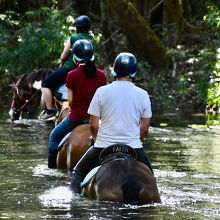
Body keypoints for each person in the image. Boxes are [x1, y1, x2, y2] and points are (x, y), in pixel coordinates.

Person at [71, 52, 153, 193]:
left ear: (114, 71)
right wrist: (132, 140)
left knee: (77, 173)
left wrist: (97, 140)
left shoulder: (101, 92)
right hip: (133, 147)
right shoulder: (143, 94)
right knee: (151, 178)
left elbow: (93, 125)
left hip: (103, 146)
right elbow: (144, 128)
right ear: (134, 73)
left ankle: (74, 206)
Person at [48, 39, 107, 168]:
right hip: (98, 119)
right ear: (92, 57)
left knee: (53, 137)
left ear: (75, 57)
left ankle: (51, 171)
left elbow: (71, 101)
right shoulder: (101, 75)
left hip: (77, 118)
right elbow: (105, 100)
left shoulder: (71, 75)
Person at [38, 15, 96, 121]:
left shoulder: (73, 38)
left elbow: (64, 55)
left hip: (70, 68)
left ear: (77, 27)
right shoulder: (92, 40)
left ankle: (50, 111)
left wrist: (61, 63)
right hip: (88, 70)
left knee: (45, 84)